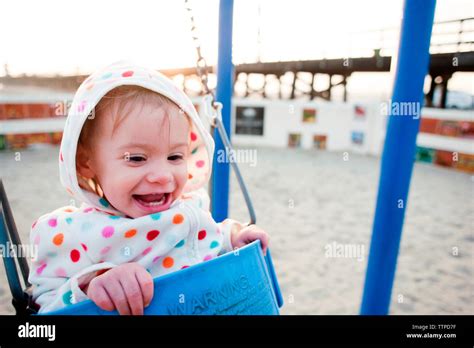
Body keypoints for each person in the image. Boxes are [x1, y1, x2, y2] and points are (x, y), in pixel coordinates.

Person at [28, 61, 269, 315]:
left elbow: (207, 242)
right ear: (86, 163)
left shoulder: (190, 209)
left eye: (175, 157)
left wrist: (232, 238)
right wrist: (91, 285)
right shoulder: (71, 232)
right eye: (136, 158)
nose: (162, 176)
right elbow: (44, 304)